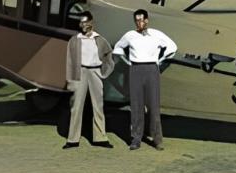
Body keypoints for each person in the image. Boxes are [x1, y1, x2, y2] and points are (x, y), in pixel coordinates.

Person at [113, 9, 177, 151]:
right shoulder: (130, 35)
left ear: (147, 20)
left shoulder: (156, 34)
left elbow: (172, 47)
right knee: (136, 105)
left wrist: (160, 60)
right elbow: (118, 48)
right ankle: (136, 139)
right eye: (136, 20)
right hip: (135, 69)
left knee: (153, 105)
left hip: (152, 70)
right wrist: (127, 61)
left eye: (141, 20)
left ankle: (157, 139)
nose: (139, 23)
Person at [62, 11, 114, 149]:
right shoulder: (74, 40)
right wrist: (70, 80)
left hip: (95, 71)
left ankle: (100, 138)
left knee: (98, 105)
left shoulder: (100, 39)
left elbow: (109, 57)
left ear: (91, 22)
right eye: (80, 22)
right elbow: (69, 61)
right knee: (76, 105)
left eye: (85, 22)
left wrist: (104, 73)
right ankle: (72, 139)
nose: (83, 25)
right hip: (80, 72)